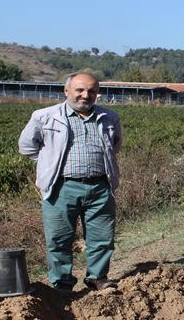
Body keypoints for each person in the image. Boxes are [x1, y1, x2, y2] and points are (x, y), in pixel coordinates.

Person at [18, 72, 123, 294]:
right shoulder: (44, 116)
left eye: (92, 91)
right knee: (59, 239)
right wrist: (48, 163)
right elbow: (26, 147)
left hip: (100, 187)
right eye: (80, 90)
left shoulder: (109, 117)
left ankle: (97, 278)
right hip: (61, 187)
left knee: (102, 237)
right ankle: (62, 284)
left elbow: (114, 146)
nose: (86, 95)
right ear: (67, 91)